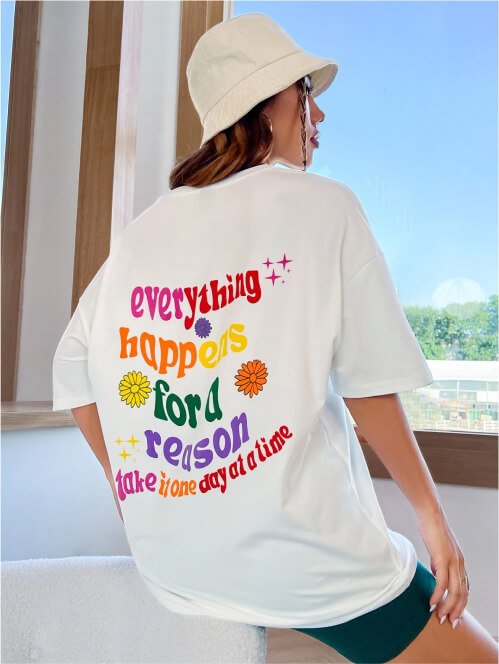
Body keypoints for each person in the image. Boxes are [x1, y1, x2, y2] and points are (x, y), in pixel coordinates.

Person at [52, 12, 498, 664]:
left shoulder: (145, 230)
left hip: (173, 568)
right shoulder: (326, 205)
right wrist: (433, 520)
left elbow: (73, 367)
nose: (317, 115)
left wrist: (128, 487)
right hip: (307, 564)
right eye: (305, 92)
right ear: (266, 102)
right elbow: (370, 387)